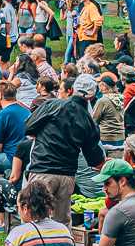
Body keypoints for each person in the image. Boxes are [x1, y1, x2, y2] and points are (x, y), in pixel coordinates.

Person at [21, 75, 106, 225]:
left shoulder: (53, 105)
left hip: (43, 169)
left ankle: (32, 245)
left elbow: (28, 126)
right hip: (66, 175)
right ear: (91, 96)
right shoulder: (89, 121)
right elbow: (95, 159)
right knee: (62, 222)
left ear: (71, 90)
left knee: (34, 218)